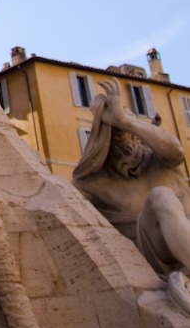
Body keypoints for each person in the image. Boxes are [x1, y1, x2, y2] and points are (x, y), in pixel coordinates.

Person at [73, 76, 190, 311]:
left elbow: (176, 151)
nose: (129, 139)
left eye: (129, 129)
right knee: (161, 197)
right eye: (117, 132)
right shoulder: (93, 185)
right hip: (159, 260)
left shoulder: (161, 160)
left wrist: (124, 120)